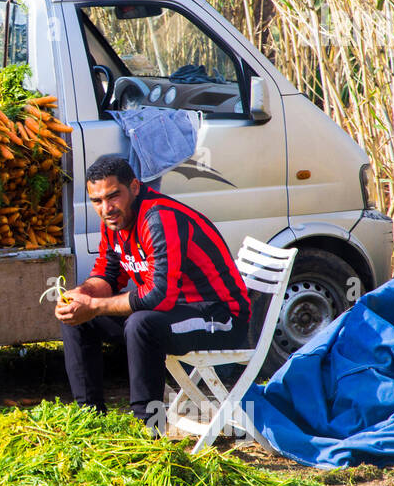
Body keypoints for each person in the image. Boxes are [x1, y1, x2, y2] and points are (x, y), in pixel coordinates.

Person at [55, 154, 252, 426]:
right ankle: (89, 420)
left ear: (134, 187)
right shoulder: (115, 221)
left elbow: (158, 295)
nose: (106, 208)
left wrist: (96, 306)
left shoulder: (159, 218)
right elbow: (108, 274)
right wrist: (82, 296)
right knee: (78, 317)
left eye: (113, 196)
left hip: (221, 318)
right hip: (172, 313)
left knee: (141, 323)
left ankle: (147, 428)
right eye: (96, 201)